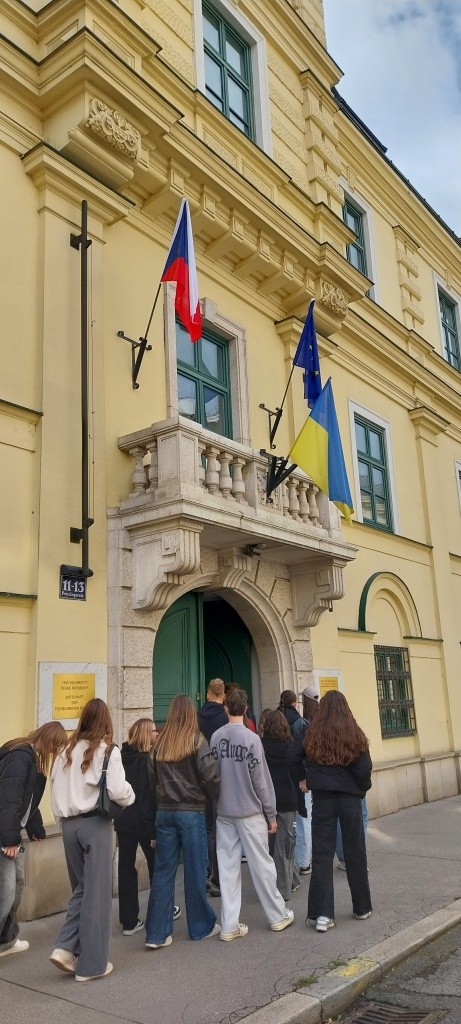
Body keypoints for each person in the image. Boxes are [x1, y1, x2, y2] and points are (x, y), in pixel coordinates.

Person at [50, 698, 135, 981]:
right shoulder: (107, 751)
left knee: (82, 890)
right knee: (96, 896)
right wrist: (132, 796)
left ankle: (66, 949)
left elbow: (54, 790)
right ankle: (90, 966)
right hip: (95, 824)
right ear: (106, 721)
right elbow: (119, 791)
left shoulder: (65, 751)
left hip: (68, 826)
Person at [211, 687, 294, 940]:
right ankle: (277, 915)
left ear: (226, 708)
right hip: (249, 811)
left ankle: (229, 925)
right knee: (262, 865)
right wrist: (271, 813)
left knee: (227, 869)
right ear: (245, 708)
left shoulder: (216, 737)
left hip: (225, 811)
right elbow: (261, 781)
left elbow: (212, 775)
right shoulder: (252, 739)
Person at [145, 694, 220, 948]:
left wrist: (159, 807)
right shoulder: (197, 740)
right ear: (190, 714)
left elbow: (152, 782)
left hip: (164, 811)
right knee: (195, 870)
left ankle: (156, 934)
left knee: (163, 872)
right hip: (191, 810)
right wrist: (212, 799)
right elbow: (210, 777)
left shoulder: (159, 744)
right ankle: (200, 926)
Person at [304, 690, 372, 933]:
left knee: (322, 856)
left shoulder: (313, 733)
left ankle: (323, 915)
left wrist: (305, 777)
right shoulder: (354, 733)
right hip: (349, 798)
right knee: (355, 852)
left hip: (323, 799)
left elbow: (294, 756)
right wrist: (361, 789)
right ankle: (362, 907)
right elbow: (364, 768)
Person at [0, 721, 67, 958]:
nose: (55, 753)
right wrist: (9, 839)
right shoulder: (21, 757)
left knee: (16, 886)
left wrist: (35, 828)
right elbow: (8, 800)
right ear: (49, 741)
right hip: (5, 834)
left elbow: (28, 800)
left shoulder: (31, 757)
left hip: (11, 833)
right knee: (7, 890)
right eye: (56, 747)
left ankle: (6, 940)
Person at [114, 718, 181, 935]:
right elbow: (148, 796)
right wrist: (152, 828)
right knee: (158, 867)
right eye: (153, 731)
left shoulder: (120, 757)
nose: (157, 734)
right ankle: (163, 911)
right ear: (145, 734)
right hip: (144, 822)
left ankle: (129, 921)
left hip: (123, 820)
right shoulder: (146, 761)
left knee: (125, 868)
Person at [259, 710, 305, 901]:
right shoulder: (290, 746)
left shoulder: (260, 745)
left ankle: (291, 880)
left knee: (272, 844)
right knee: (285, 843)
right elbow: (298, 772)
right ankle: (284, 888)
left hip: (267, 800)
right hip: (287, 799)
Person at [198, 679, 228, 899]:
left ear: (208, 694)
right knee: (221, 828)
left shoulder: (198, 716)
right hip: (221, 778)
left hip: (200, 777)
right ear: (223, 695)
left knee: (206, 827)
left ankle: (206, 873)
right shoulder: (225, 718)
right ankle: (218, 876)